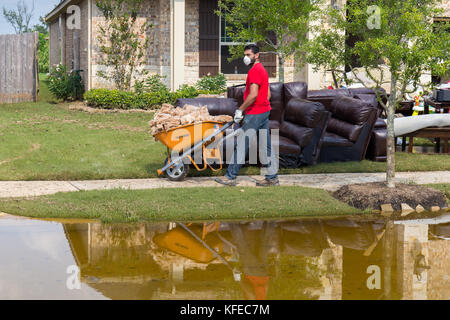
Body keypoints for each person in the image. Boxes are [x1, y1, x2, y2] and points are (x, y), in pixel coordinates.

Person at [215, 44, 279, 187]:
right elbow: (267, 95)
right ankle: (272, 178)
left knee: (242, 145)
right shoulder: (262, 69)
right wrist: (260, 107)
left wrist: (241, 110)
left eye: (248, 55)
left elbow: (253, 95)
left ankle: (230, 177)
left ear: (257, 55)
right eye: (245, 55)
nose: (246, 57)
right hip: (264, 111)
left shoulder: (254, 71)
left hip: (255, 113)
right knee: (266, 146)